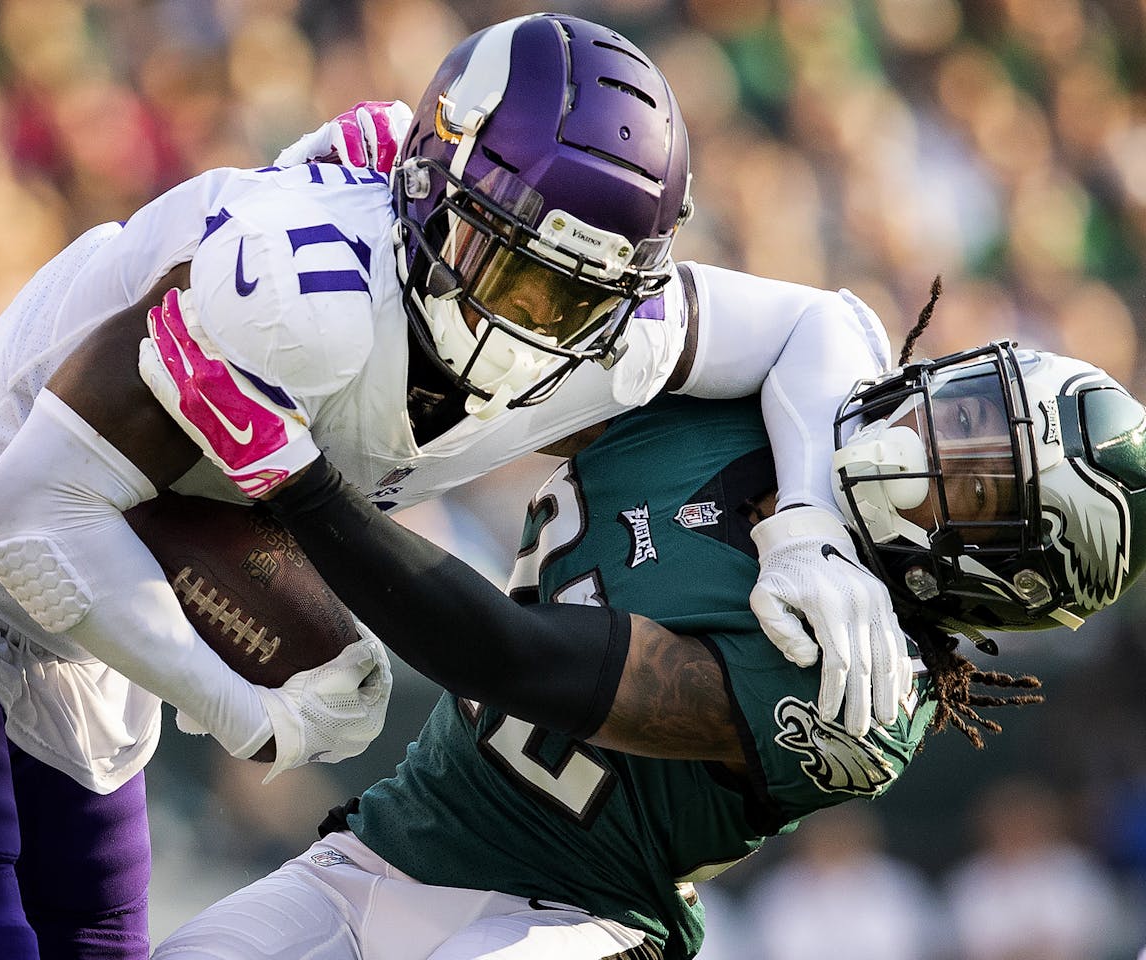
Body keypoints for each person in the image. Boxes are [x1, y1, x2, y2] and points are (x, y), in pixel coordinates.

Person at [0, 12, 908, 958]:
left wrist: (811, 525)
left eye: (561, 295)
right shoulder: (301, 290)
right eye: (499, 263)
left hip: (93, 632)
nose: (518, 320)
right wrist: (244, 713)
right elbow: (18, 514)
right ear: (427, 192)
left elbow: (829, 324)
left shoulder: (617, 327)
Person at [152, 331, 1146, 958]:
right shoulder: (746, 405)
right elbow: (806, 316)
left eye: (971, 485)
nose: (927, 443)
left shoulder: (862, 687)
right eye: (962, 414)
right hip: (386, 847)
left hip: (563, 925)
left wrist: (294, 482)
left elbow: (512, 658)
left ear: (995, 576)